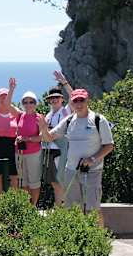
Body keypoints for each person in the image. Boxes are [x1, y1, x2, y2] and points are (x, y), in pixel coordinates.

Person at [38, 89, 114, 217]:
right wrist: (44, 128)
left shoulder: (98, 120)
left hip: (93, 171)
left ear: (87, 100)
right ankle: (78, 236)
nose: (79, 103)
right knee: (72, 209)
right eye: (75, 101)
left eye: (81, 100)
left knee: (93, 209)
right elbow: (49, 138)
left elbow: (109, 145)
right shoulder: (69, 120)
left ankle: (99, 237)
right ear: (72, 103)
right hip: (71, 171)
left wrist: (93, 159)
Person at [41, 71, 74, 204]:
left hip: (61, 151)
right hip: (49, 150)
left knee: (60, 181)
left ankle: (62, 209)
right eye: (52, 98)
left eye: (57, 97)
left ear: (62, 99)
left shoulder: (66, 111)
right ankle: (59, 207)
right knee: (55, 182)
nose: (54, 100)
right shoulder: (48, 115)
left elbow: (74, 97)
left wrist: (64, 82)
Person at [0, 78, 20, 196]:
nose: (4, 98)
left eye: (6, 96)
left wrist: (11, 89)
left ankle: (14, 200)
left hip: (12, 145)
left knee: (14, 174)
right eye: (1, 96)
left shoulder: (15, 112)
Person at [15, 91, 44, 205]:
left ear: (36, 103)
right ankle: (27, 206)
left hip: (34, 153)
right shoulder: (20, 116)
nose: (28, 104)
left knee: (34, 181)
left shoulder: (39, 117)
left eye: (31, 102)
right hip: (20, 153)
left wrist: (27, 139)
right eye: (25, 102)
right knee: (23, 182)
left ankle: (33, 206)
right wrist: (18, 138)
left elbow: (42, 137)